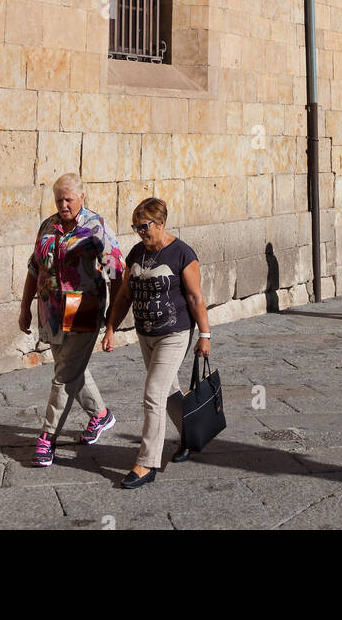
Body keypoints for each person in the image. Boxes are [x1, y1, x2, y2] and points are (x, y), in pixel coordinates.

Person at [103, 198, 211, 489]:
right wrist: (111, 327)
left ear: (161, 224)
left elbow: (195, 298)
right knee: (169, 390)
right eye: (136, 227)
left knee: (153, 394)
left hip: (175, 334)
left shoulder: (182, 254)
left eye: (144, 226)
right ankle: (193, 435)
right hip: (145, 334)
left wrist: (205, 335)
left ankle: (147, 463)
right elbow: (125, 295)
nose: (140, 232)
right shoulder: (137, 251)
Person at [20, 174, 124, 467]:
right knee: (72, 369)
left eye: (69, 199)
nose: (63, 205)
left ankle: (47, 438)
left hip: (84, 309)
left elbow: (117, 270)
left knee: (64, 375)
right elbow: (33, 267)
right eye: (59, 199)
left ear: (81, 197)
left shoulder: (95, 227)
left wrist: (113, 319)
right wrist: (25, 307)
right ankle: (101, 415)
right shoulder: (48, 226)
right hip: (50, 311)